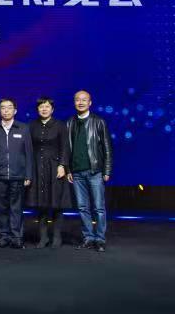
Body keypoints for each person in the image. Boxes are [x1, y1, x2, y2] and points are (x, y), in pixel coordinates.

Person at [66, 90, 113, 253]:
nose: (80, 102)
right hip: (76, 173)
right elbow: (67, 149)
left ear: (90, 103)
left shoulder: (98, 121)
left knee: (99, 208)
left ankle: (100, 239)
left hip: (95, 171)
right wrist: (68, 169)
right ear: (74, 102)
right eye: (77, 100)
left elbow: (107, 148)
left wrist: (107, 170)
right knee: (82, 208)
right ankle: (88, 238)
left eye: (84, 100)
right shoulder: (70, 122)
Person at [0, 98, 33, 249]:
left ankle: (17, 237)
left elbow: (29, 153)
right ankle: (3, 236)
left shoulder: (23, 128)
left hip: (18, 175)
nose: (6, 110)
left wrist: (28, 175)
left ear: (15, 110)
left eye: (9, 107)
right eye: (3, 108)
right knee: (0, 208)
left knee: (16, 208)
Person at [28, 97, 72, 249]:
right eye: (41, 106)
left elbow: (65, 147)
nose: (44, 109)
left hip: (55, 167)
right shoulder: (32, 126)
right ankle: (43, 237)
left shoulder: (60, 125)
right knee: (41, 203)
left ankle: (57, 236)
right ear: (37, 109)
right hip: (37, 168)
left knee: (57, 203)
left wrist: (62, 165)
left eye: (47, 106)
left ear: (52, 109)